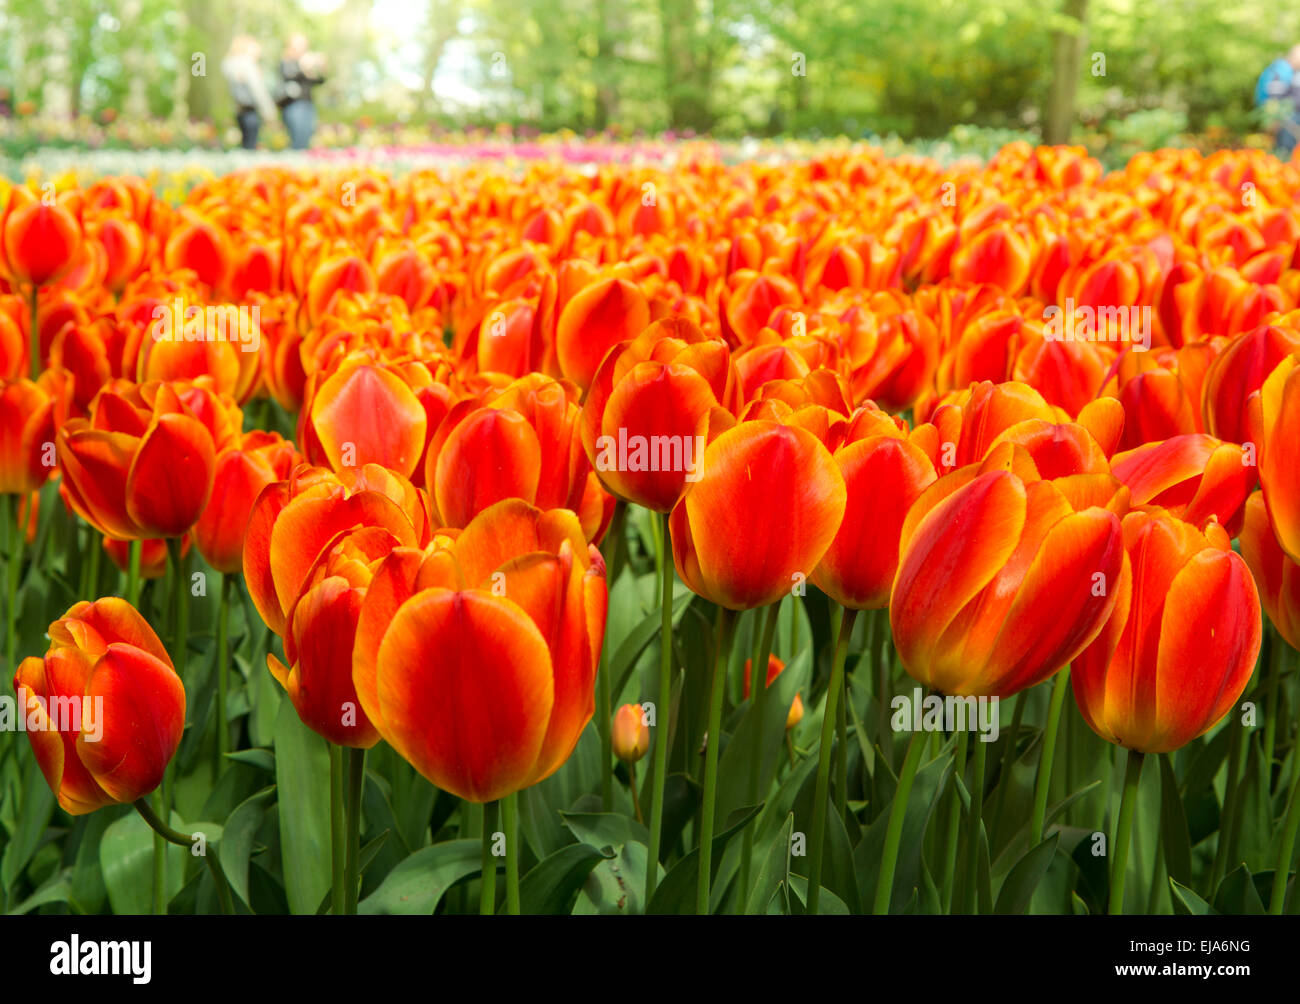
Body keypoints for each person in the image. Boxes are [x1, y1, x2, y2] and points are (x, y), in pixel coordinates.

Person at [221, 36, 276, 150]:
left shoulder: (231, 65)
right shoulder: (248, 65)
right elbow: (257, 90)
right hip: (251, 110)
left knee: (246, 143)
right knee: (251, 146)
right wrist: (269, 111)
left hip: (239, 109)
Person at [278, 34, 327, 151]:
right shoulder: (287, 61)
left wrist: (322, 69)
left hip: (307, 103)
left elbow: (318, 81)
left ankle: (300, 165)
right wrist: (303, 67)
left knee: (307, 135)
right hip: (293, 104)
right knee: (297, 136)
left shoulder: (306, 61)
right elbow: (288, 77)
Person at [1256, 46, 1300, 159]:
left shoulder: (1288, 70)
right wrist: (1274, 120)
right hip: (1284, 118)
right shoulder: (1281, 70)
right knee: (1285, 149)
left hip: (1286, 117)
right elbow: (1274, 97)